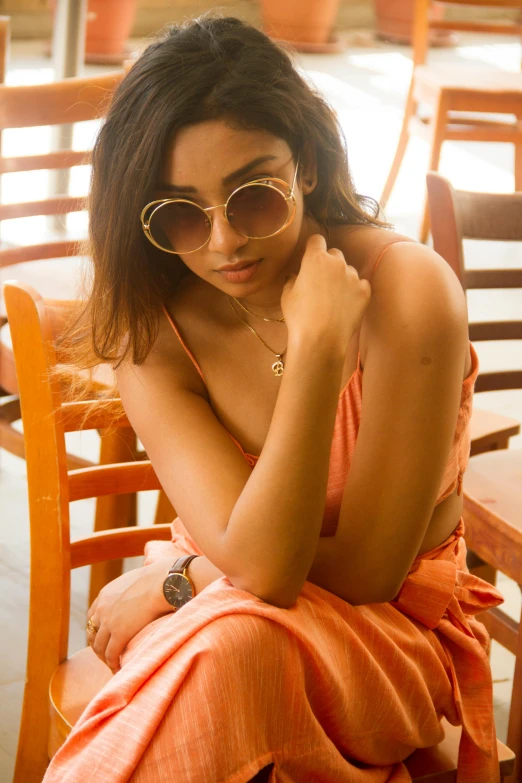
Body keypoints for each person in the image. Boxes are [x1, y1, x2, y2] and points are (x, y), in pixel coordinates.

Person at [43, 15, 503, 783]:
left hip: (387, 640)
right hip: (211, 619)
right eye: (180, 213)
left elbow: (366, 575)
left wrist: (180, 576)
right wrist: (215, 573)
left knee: (232, 651)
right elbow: (259, 569)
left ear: (310, 168)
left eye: (252, 195)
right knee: (228, 654)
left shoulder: (408, 294)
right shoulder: (153, 334)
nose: (224, 241)